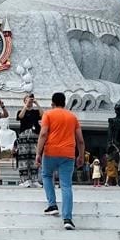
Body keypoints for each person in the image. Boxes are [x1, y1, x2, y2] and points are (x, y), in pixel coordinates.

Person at [35, 92, 85, 231]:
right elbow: (80, 140)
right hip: (68, 154)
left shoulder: (48, 115)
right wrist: (81, 156)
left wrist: (38, 153)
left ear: (53, 103)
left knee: (46, 176)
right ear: (65, 103)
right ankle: (67, 218)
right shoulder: (72, 117)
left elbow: (43, 133)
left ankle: (52, 205)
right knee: (66, 185)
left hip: (50, 152)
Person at [16, 94, 43, 187]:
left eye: (30, 99)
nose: (30, 101)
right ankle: (24, 179)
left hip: (34, 135)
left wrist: (37, 103)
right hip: (24, 136)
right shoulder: (21, 110)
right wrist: (26, 105)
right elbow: (20, 116)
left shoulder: (35, 112)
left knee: (34, 157)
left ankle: (35, 179)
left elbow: (43, 115)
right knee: (23, 158)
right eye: (27, 99)